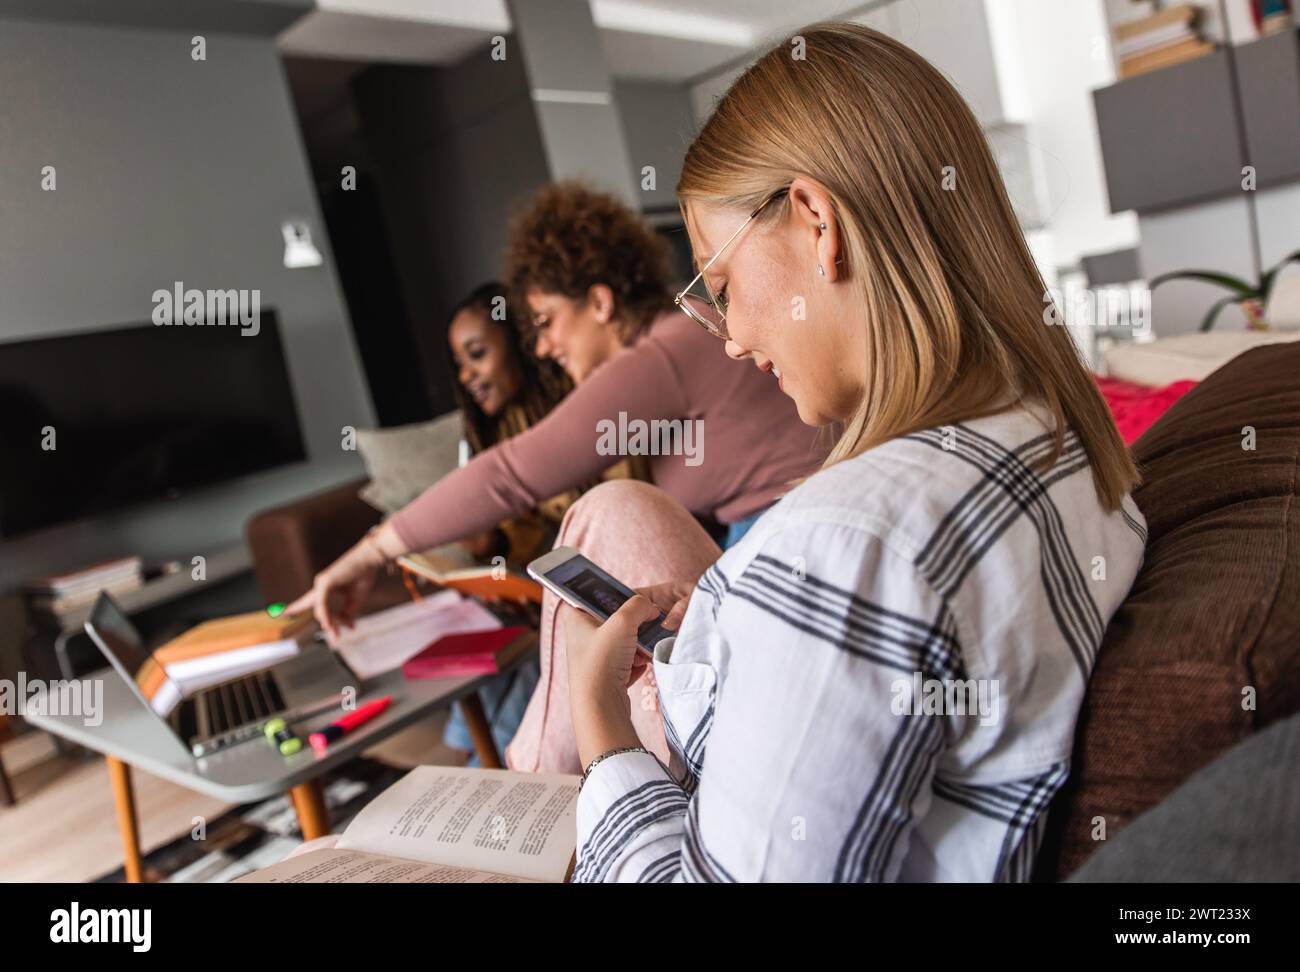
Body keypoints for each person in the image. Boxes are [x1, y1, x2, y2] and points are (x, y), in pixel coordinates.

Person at [559, 22, 1148, 882]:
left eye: (720, 290)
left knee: (604, 524)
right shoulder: (1061, 431)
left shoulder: (847, 546)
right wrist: (740, 630)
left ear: (816, 222)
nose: (731, 340)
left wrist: (598, 722)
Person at [287, 182, 826, 773]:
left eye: (546, 321)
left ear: (599, 302)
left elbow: (511, 475)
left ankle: (523, 795)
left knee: (603, 517)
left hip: (778, 550)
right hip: (762, 548)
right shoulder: (679, 337)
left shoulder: (659, 355)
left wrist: (370, 552)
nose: (541, 347)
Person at [437, 283, 646, 762]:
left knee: (540, 649)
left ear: (518, 345)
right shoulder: (500, 429)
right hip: (540, 587)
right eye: (459, 363)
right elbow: (529, 532)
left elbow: (620, 506)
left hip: (605, 577)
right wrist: (492, 540)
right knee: (485, 625)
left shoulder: (582, 407)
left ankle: (495, 770)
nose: (466, 374)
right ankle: (468, 758)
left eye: (476, 355)